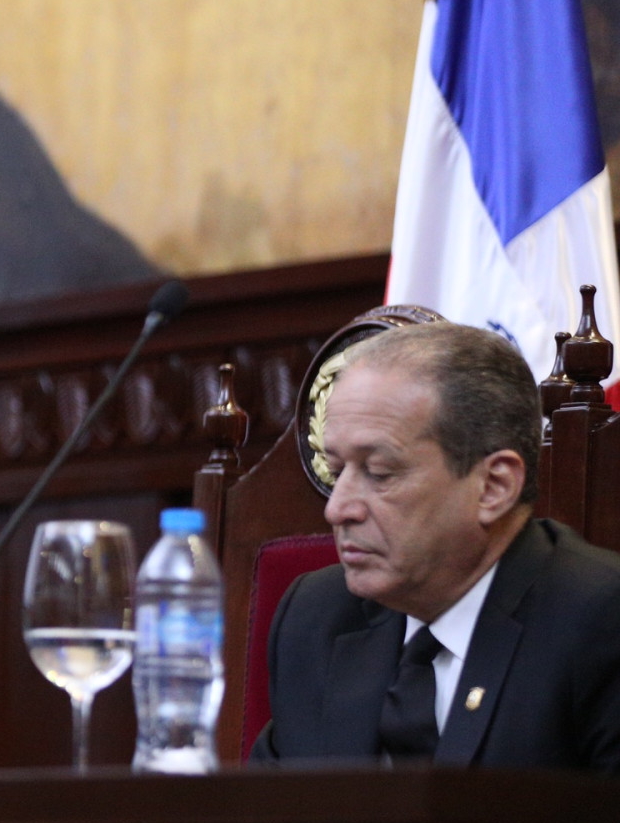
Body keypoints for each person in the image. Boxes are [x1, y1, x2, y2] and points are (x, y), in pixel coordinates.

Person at [252, 322, 620, 768]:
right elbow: (272, 809)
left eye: (379, 474)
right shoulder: (316, 617)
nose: (337, 509)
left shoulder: (600, 623)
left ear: (494, 487)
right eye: (337, 472)